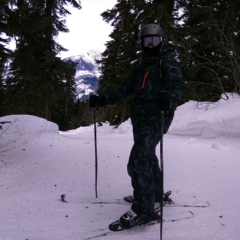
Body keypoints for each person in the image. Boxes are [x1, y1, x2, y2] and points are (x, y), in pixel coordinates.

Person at [89, 23, 184, 228]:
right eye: (146, 41)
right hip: (140, 118)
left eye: (154, 41)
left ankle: (144, 210)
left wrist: (169, 98)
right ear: (142, 43)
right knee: (147, 154)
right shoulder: (141, 66)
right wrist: (103, 100)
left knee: (138, 159)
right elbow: (125, 89)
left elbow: (177, 86)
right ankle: (153, 194)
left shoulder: (167, 63)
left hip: (158, 116)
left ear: (161, 41)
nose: (151, 46)